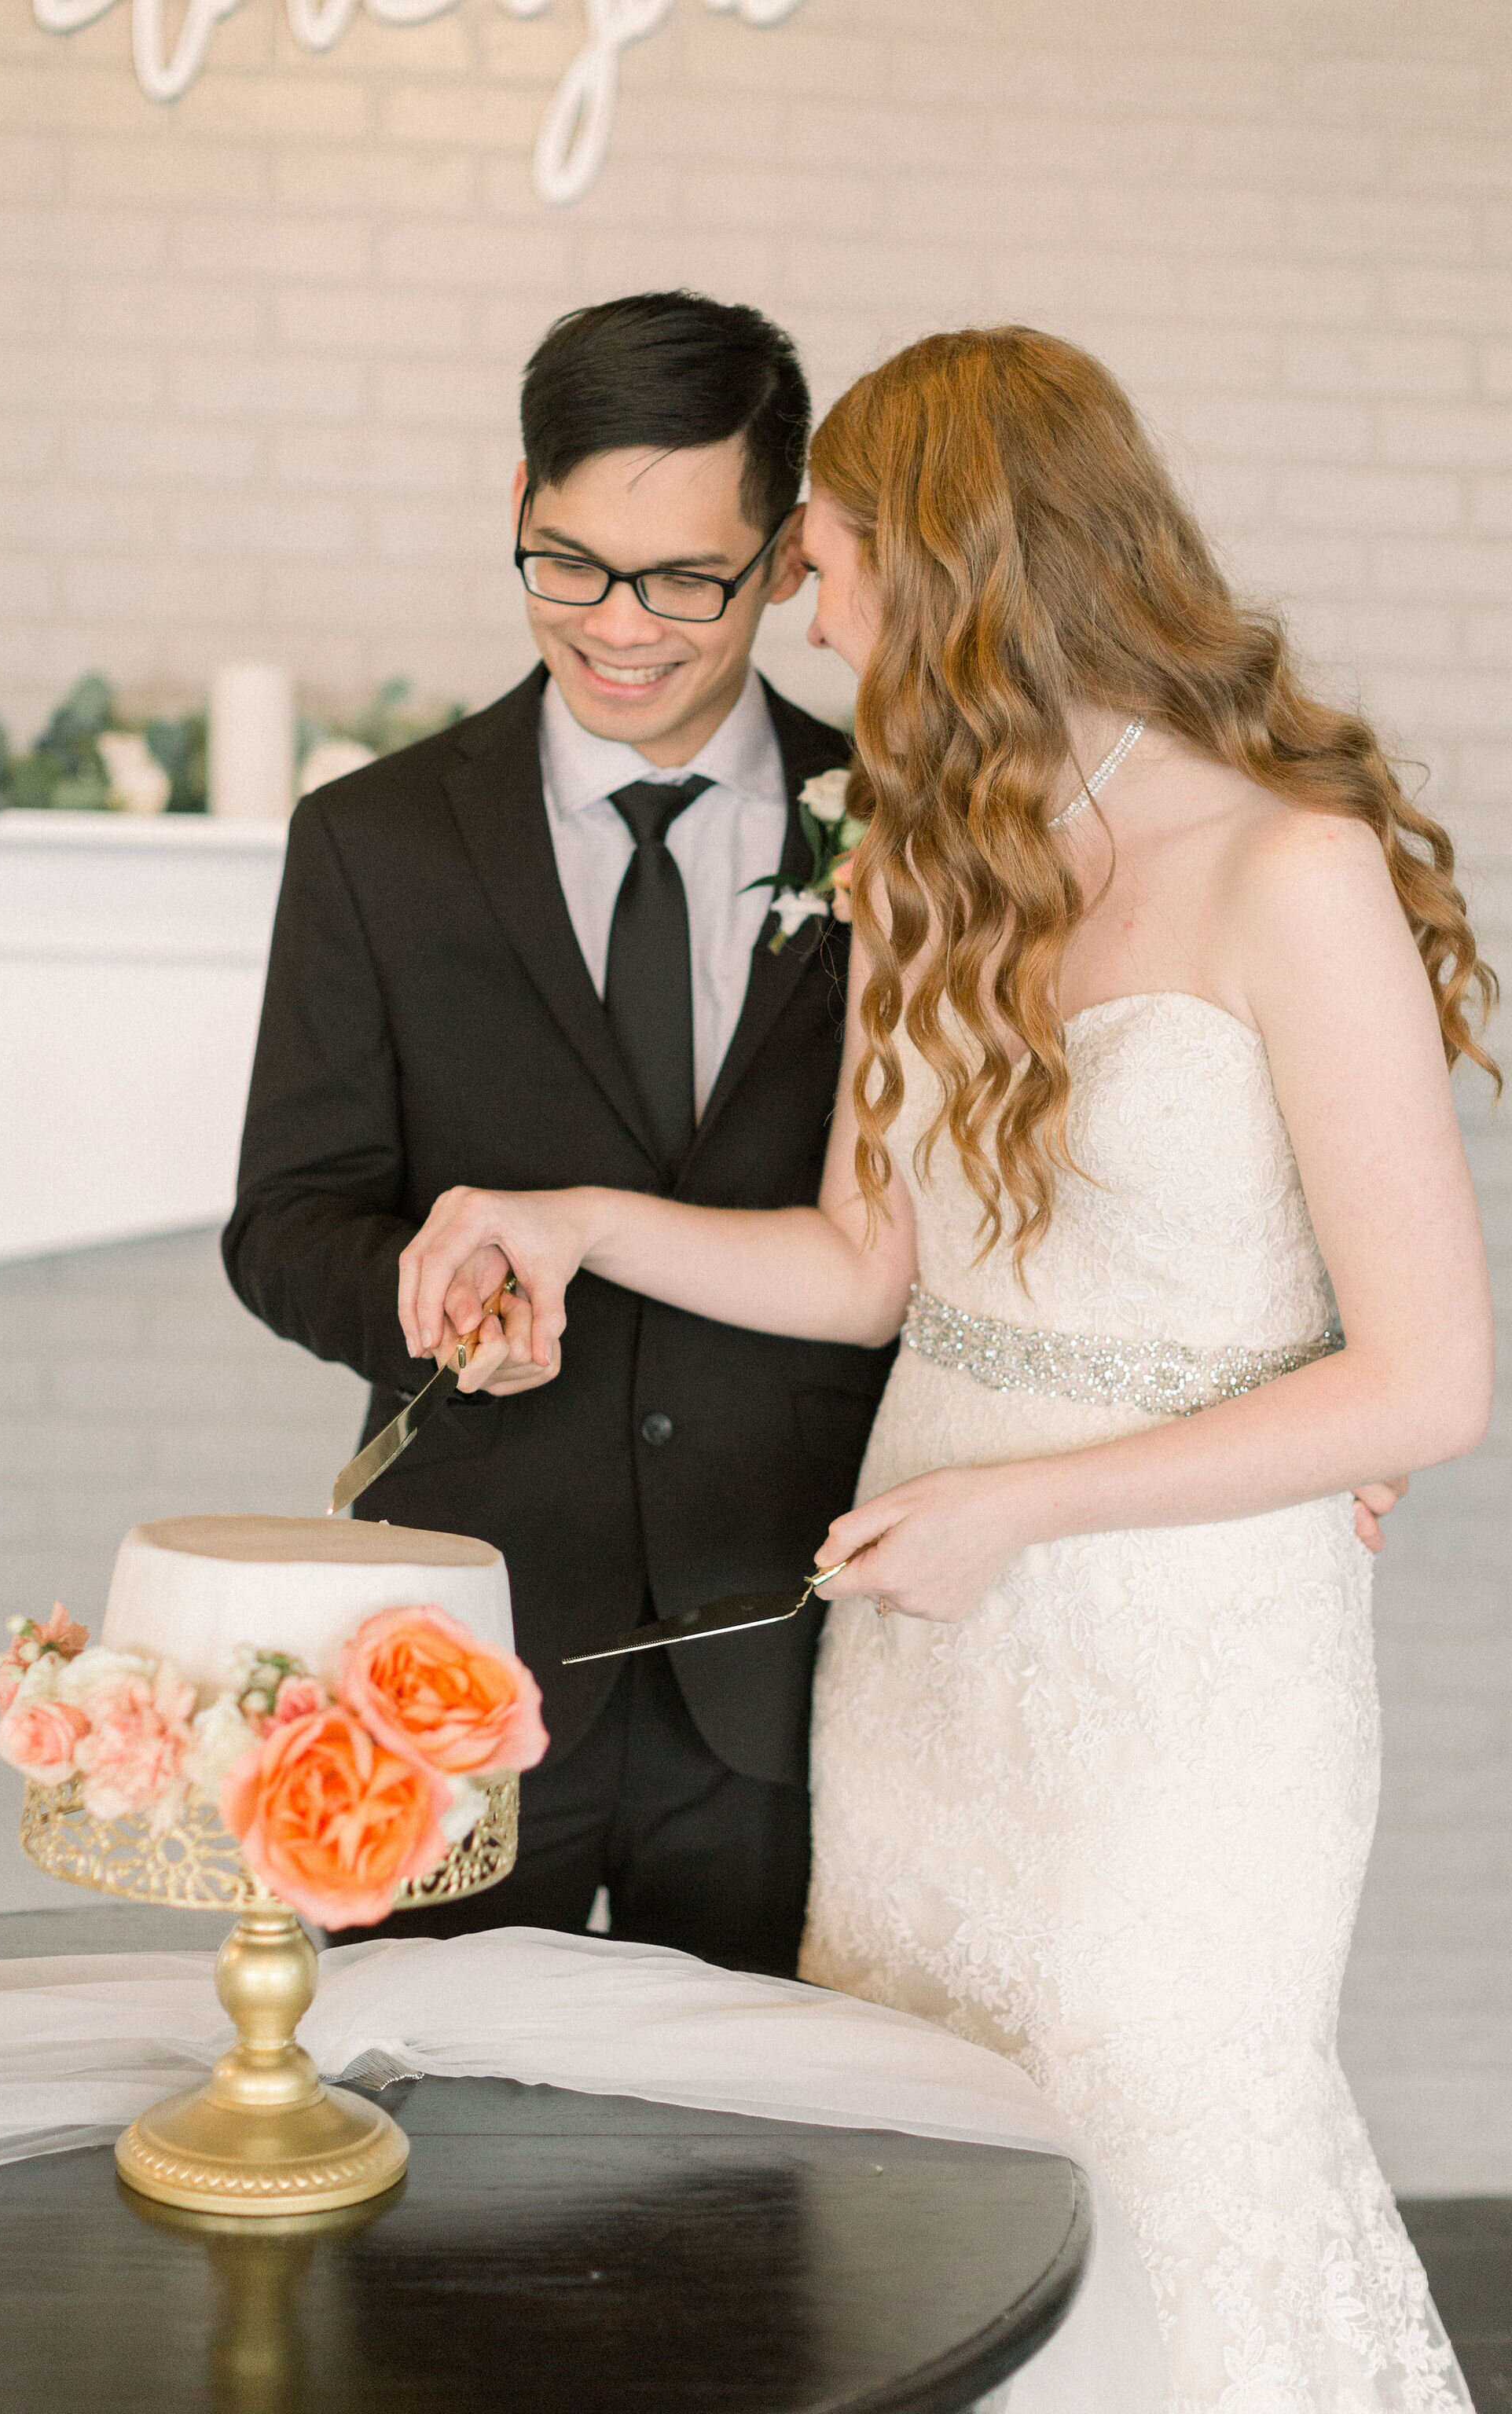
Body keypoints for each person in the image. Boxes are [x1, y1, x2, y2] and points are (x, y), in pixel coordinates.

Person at [402, 327, 1496, 2409]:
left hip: (1193, 1670)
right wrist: (575, 1220)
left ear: (960, 565)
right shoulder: (917, 853)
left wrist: (1034, 1502)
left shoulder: (1290, 865)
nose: (807, 615)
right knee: (930, 2167)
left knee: (1166, 2139)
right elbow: (862, 1262)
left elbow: (1431, 1381)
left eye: (826, 564)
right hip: (932, 1657)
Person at [222, 292, 898, 1976]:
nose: (619, 625)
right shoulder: (372, 841)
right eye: (568, 561)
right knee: (420, 2160)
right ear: (517, 497)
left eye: (685, 577)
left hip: (793, 1645)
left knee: (762, 2193)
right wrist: (421, 1296)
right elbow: (286, 1222)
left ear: (787, 553)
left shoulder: (904, 825)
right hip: (471, 1650)